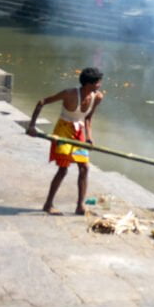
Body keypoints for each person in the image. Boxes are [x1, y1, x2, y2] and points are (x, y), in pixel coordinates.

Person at [26, 67, 104, 215]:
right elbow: (42, 102)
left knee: (85, 168)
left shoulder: (97, 97)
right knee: (63, 169)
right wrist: (32, 126)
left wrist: (89, 137)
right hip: (62, 131)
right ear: (89, 84)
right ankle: (48, 204)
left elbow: (87, 118)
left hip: (79, 131)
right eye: (98, 83)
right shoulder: (69, 93)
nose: (100, 85)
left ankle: (80, 205)